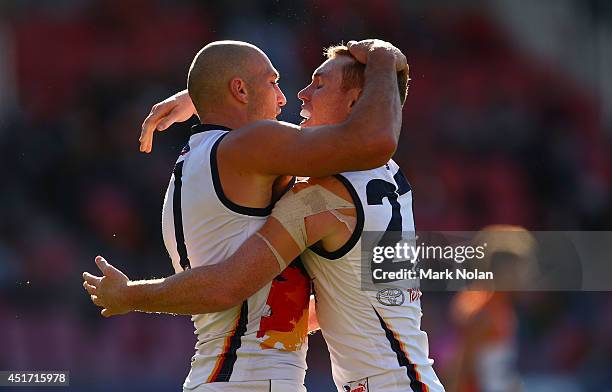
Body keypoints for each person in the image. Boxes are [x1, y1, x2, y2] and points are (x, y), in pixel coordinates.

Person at [84, 42, 445, 392]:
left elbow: (232, 285)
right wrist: (205, 97)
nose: (295, 95)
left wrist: (131, 295)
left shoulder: (316, 194)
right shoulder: (388, 179)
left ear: (357, 103)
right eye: (274, 83)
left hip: (241, 377)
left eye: (318, 85)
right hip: (384, 379)